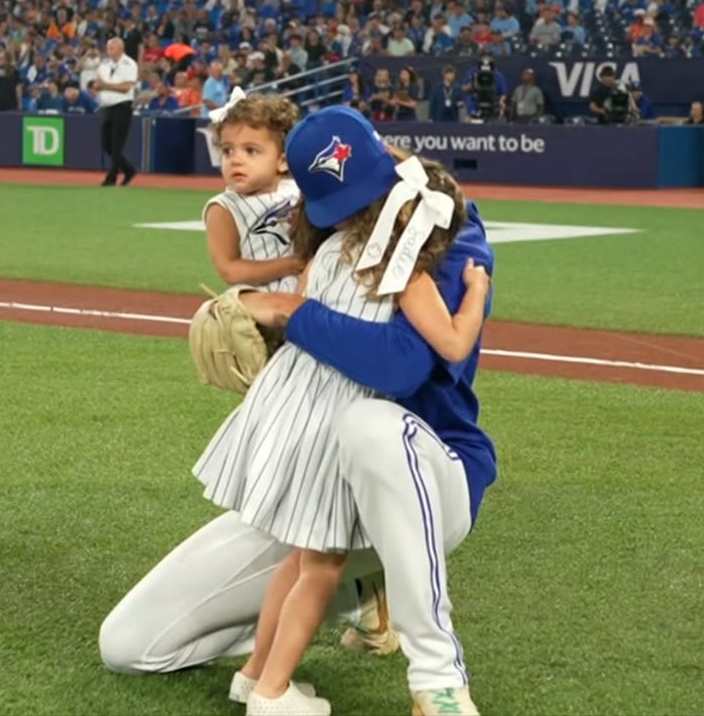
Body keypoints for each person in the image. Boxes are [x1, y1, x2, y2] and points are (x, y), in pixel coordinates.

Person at [100, 106, 498, 716]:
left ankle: (437, 681)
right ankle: (327, 619)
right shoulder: (326, 244)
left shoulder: (444, 228)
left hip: (427, 473)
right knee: (131, 644)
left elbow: (402, 364)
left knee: (369, 427)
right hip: (319, 481)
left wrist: (288, 314)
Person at [202, 89, 307, 293]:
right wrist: (292, 264)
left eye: (251, 151)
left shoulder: (299, 191)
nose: (236, 160)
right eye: (227, 150)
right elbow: (230, 270)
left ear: (282, 161)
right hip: (259, 304)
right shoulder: (223, 208)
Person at [96, 36, 139, 186]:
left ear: (121, 49)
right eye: (108, 48)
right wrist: (106, 86)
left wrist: (106, 85)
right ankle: (128, 169)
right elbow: (96, 84)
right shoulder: (104, 65)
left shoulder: (129, 64)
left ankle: (112, 176)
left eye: (112, 48)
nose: (109, 51)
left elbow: (126, 87)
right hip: (106, 106)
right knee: (106, 143)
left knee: (116, 143)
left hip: (122, 106)